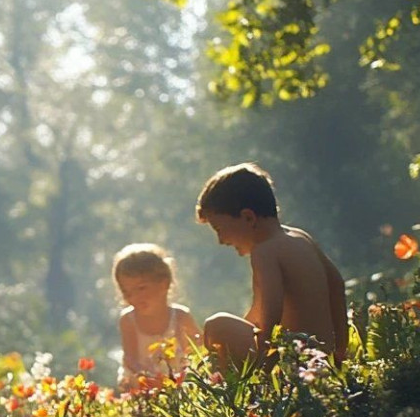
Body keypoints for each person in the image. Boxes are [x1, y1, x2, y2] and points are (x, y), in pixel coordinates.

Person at [194, 162, 348, 365]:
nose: (221, 241)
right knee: (234, 328)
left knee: (217, 325)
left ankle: (234, 387)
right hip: (320, 358)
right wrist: (340, 349)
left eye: (219, 229)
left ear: (248, 218)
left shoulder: (264, 252)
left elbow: (271, 314)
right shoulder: (301, 237)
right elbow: (337, 286)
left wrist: (263, 359)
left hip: (293, 360)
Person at [113, 243, 201, 387]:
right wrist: (147, 377)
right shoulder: (128, 320)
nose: (134, 297)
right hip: (142, 378)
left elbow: (199, 351)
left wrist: (181, 376)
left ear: (163, 284)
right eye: (127, 292)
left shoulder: (180, 317)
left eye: (141, 288)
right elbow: (130, 358)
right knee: (128, 382)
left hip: (179, 379)